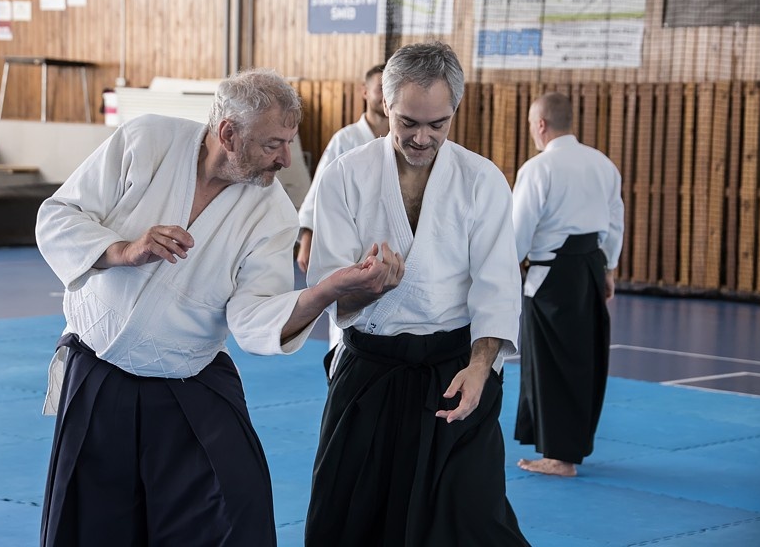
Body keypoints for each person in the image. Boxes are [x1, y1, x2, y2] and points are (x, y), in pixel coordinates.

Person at [35, 68, 402, 547]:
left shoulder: (272, 212)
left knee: (236, 513)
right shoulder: (146, 141)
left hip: (189, 377)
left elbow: (253, 316)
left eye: (288, 143)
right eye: (272, 144)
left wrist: (327, 290)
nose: (285, 159)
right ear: (228, 134)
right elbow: (57, 216)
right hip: (99, 372)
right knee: (94, 524)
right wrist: (122, 250)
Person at [304, 42, 529, 546]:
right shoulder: (345, 175)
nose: (422, 138)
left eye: (437, 124)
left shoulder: (481, 180)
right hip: (370, 367)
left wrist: (481, 369)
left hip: (456, 370)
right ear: (384, 103)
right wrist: (366, 286)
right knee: (349, 519)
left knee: (468, 521)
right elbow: (328, 290)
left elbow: (497, 286)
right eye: (408, 122)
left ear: (455, 111)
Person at [512, 91, 625, 477]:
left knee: (551, 365)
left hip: (552, 277)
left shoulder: (538, 168)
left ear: (541, 124)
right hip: (590, 268)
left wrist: (503, 269)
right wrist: (608, 269)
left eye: (532, 124)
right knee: (583, 362)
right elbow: (615, 219)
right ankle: (566, 448)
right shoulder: (602, 163)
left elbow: (519, 230)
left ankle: (559, 458)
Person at [296, 63, 389, 376]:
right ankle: (340, 371)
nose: (384, 97)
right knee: (345, 317)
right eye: (379, 90)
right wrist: (307, 236)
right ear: (365, 92)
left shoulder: (401, 140)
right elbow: (320, 189)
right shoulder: (346, 139)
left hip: (387, 246)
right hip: (349, 242)